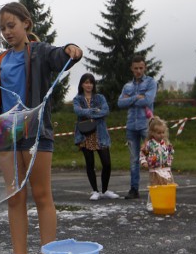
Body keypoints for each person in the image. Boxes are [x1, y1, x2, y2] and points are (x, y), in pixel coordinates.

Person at [0, 2, 82, 254]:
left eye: (12, 26)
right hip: (8, 137)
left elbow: (60, 56)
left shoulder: (39, 52)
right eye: (3, 28)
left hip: (36, 134)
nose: (7, 32)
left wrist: (71, 48)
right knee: (15, 197)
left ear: (26, 24)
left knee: (42, 195)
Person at [72, 73, 119, 201]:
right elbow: (78, 111)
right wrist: (95, 111)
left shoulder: (100, 97)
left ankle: (105, 190)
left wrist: (89, 112)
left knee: (107, 163)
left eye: (91, 82)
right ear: (82, 84)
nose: (89, 85)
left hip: (100, 134)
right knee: (90, 164)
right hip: (85, 135)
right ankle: (95, 190)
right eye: (86, 82)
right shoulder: (77, 99)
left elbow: (106, 111)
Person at [117, 55, 157, 200]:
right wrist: (136, 97)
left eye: (141, 68)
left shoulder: (151, 82)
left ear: (144, 67)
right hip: (131, 126)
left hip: (146, 125)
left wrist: (130, 99)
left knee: (152, 157)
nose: (138, 71)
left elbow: (148, 100)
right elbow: (120, 103)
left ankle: (156, 187)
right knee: (134, 159)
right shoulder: (127, 86)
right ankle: (134, 189)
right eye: (136, 68)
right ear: (131, 69)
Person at [140, 116, 175, 211]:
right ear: (152, 133)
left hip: (165, 169)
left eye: (163, 132)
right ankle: (151, 203)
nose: (161, 135)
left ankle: (167, 202)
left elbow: (171, 153)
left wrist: (169, 160)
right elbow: (143, 154)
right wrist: (144, 162)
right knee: (155, 186)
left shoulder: (166, 143)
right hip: (154, 169)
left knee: (167, 185)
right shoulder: (149, 144)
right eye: (158, 133)